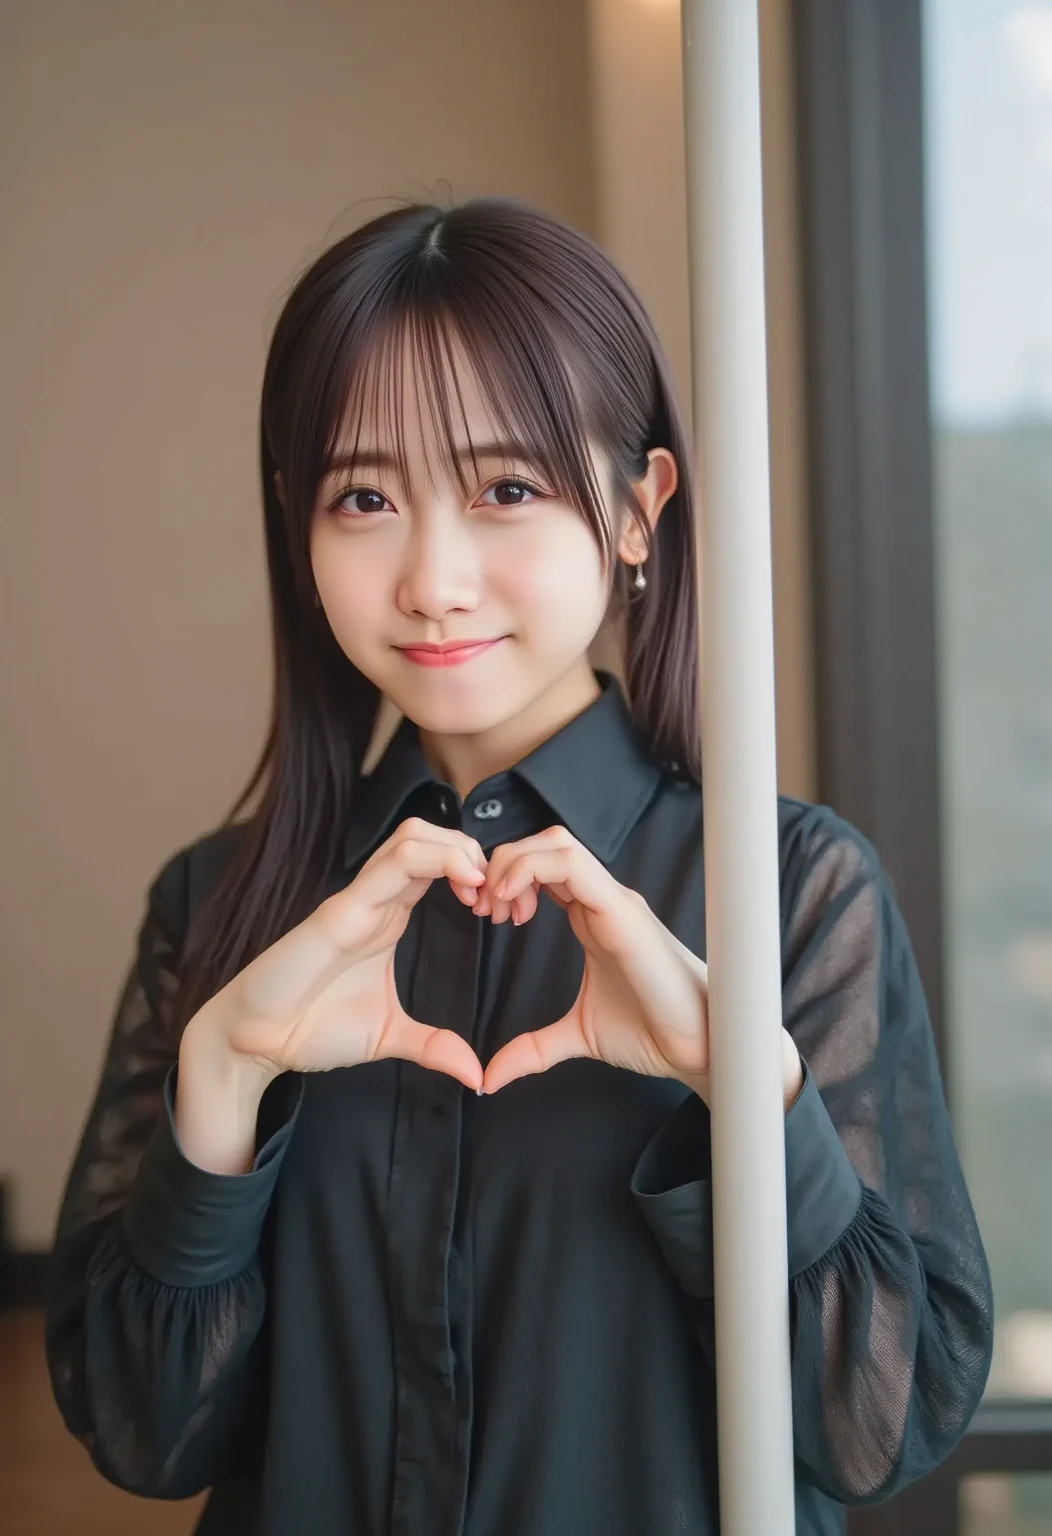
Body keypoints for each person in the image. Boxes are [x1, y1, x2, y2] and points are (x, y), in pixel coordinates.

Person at [44, 198, 993, 1536]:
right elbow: (144, 1439)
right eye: (364, 497)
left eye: (506, 488)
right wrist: (222, 1082)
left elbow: (879, 1425)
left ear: (637, 511)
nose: (433, 578)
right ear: (296, 525)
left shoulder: (788, 890)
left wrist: (748, 1097)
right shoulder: (219, 905)